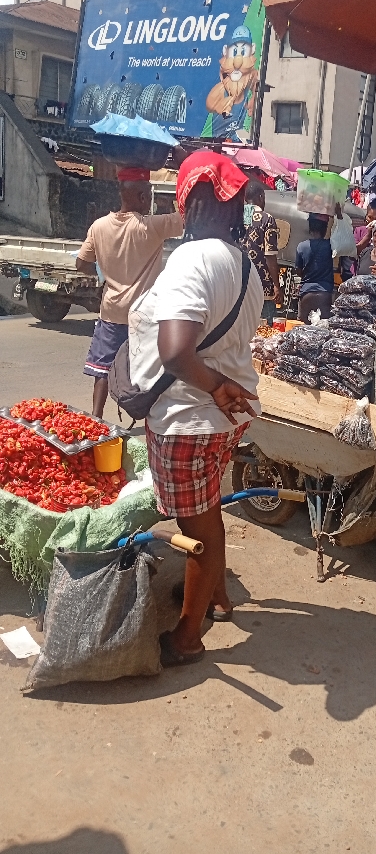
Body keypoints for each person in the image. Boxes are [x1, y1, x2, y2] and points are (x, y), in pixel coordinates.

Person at [128, 151, 263, 666]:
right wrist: (222, 388)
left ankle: (187, 637)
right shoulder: (245, 264)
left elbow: (175, 352)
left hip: (189, 418)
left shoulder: (191, 258)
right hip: (223, 419)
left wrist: (215, 386)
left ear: (191, 201)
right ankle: (218, 598)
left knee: (198, 531)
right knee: (209, 515)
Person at [77, 166, 183, 419]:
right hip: (144, 315)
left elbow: (81, 263)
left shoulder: (99, 226)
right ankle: (148, 416)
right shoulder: (152, 227)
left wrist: (103, 276)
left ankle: (96, 417)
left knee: (103, 369)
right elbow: (188, 218)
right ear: (143, 197)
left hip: (112, 310)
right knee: (146, 369)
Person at [241, 179, 282, 325]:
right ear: (261, 197)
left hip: (237, 285)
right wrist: (276, 285)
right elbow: (270, 256)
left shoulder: (234, 217)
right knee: (265, 329)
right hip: (261, 285)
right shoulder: (267, 219)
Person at [296, 208, 335, 322]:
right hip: (325, 294)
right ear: (325, 229)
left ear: (310, 228)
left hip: (306, 293)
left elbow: (298, 270)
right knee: (323, 327)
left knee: (303, 328)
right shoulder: (330, 245)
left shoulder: (301, 246)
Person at [340, 199, 376, 281]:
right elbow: (352, 255)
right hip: (358, 276)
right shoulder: (359, 231)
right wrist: (368, 236)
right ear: (366, 217)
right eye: (370, 217)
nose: (373, 221)